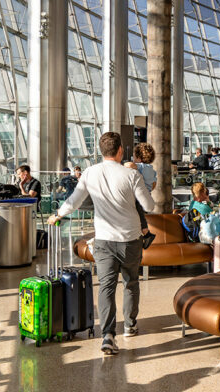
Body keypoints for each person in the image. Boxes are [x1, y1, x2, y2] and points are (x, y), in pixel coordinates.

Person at [48, 131, 155, 356]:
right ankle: (129, 325)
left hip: (104, 241)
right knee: (130, 283)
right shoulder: (131, 175)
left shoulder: (90, 173)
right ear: (120, 151)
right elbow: (149, 206)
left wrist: (57, 215)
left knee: (106, 287)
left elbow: (73, 202)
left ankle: (107, 335)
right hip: (130, 240)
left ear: (101, 150)